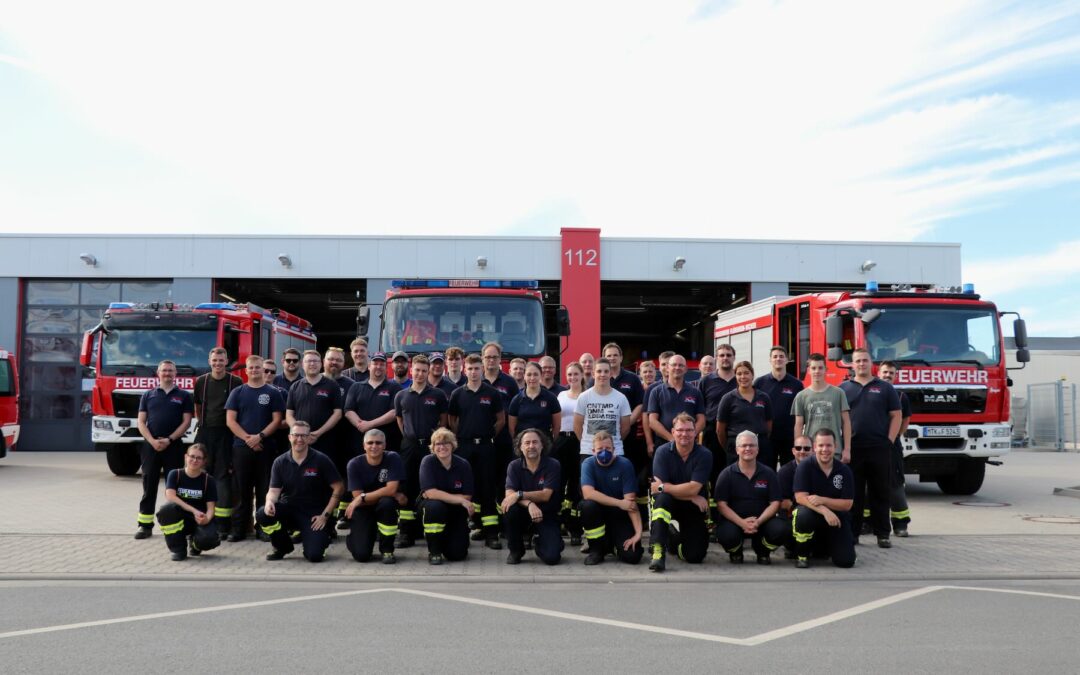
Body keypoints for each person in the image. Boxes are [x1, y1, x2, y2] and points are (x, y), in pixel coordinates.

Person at [256, 421, 345, 562]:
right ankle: (282, 546)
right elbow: (273, 490)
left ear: (309, 438)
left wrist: (325, 515)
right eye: (296, 435)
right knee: (262, 514)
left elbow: (339, 486)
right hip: (289, 509)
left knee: (314, 556)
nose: (299, 439)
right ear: (289, 437)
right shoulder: (280, 462)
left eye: (304, 436)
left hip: (314, 515)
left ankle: (321, 539)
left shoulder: (321, 460)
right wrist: (269, 502)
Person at [840, 349, 902, 548]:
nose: (861, 364)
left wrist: (889, 441)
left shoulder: (885, 388)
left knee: (881, 493)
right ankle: (853, 534)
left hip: (879, 449)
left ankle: (883, 534)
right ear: (852, 364)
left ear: (871, 363)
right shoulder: (843, 389)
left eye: (865, 360)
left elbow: (896, 415)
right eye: (857, 361)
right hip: (853, 448)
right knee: (854, 494)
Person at [225, 355, 286, 542]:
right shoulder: (237, 392)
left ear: (263, 369)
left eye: (258, 367)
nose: (255, 370)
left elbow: (277, 420)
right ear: (246, 370)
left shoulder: (273, 393)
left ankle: (263, 528)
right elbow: (230, 421)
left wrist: (259, 437)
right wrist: (248, 439)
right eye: (251, 368)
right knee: (241, 491)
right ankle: (238, 529)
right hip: (241, 448)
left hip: (265, 448)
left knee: (263, 490)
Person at [447, 353, 504, 549]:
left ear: (482, 369)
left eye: (476, 368)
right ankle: (463, 530)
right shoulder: (457, 394)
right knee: (463, 488)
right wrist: (462, 436)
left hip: (487, 446)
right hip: (464, 446)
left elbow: (501, 419)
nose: (473, 372)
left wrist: (488, 435)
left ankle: (491, 534)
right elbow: (452, 419)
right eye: (469, 369)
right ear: (464, 369)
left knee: (487, 488)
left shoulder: (492, 393)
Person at [135, 360, 194, 539]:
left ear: (176, 374)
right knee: (149, 485)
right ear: (158, 373)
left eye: (170, 371)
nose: (167, 373)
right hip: (151, 447)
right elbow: (140, 422)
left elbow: (186, 422)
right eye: (164, 371)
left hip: (174, 446)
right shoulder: (148, 395)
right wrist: (152, 441)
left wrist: (169, 439)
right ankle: (145, 525)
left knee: (176, 487)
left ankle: (179, 525)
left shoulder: (184, 396)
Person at [394, 355, 449, 547]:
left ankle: (433, 531)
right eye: (417, 370)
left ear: (428, 373)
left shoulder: (438, 395)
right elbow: (400, 420)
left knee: (430, 485)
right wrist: (409, 436)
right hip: (409, 446)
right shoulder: (401, 395)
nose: (420, 374)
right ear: (411, 370)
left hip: (430, 447)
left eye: (424, 371)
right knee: (407, 486)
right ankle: (406, 533)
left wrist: (435, 442)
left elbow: (444, 421)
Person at [648, 413, 712, 572]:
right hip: (671, 502)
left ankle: (672, 540)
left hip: (692, 506)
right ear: (673, 431)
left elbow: (693, 488)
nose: (685, 434)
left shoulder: (704, 454)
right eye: (680, 430)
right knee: (661, 500)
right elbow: (659, 491)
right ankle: (658, 552)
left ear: (695, 432)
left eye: (689, 430)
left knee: (695, 556)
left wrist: (665, 487)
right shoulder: (662, 452)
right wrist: (691, 494)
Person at [714, 430, 785, 565]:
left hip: (762, 522)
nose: (748, 448)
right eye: (744, 445)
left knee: (781, 530)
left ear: (758, 449)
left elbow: (775, 503)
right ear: (737, 450)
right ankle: (736, 552)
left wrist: (758, 522)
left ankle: (762, 551)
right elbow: (721, 505)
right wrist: (741, 522)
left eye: (752, 445)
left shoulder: (768, 473)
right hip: (735, 522)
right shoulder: (726, 474)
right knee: (725, 535)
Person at [193, 346, 243, 538]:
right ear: (209, 361)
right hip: (205, 433)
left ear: (227, 361)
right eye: (214, 360)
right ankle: (200, 518)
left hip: (226, 434)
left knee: (222, 478)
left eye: (221, 360)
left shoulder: (235, 382)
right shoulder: (201, 382)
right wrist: (202, 424)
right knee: (200, 475)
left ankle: (223, 524)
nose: (217, 364)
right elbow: (197, 406)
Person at [792, 428, 856, 569]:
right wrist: (825, 511)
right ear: (815, 447)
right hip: (813, 515)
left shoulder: (844, 470)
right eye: (821, 445)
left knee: (846, 562)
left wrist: (822, 500)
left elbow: (847, 504)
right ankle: (802, 555)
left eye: (828, 445)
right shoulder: (805, 466)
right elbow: (800, 498)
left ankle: (823, 549)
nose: (824, 449)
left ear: (835, 446)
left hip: (836, 519)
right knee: (802, 514)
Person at [579, 430, 643, 565]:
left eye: (608, 448)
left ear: (614, 449)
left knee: (633, 557)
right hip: (598, 514)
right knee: (587, 506)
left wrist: (638, 533)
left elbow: (630, 504)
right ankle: (596, 550)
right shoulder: (588, 464)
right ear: (593, 451)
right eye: (600, 449)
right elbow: (588, 493)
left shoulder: (625, 465)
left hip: (619, 516)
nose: (604, 452)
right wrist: (619, 503)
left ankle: (612, 546)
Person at [502, 429, 562, 565]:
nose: (531, 446)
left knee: (552, 558)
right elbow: (509, 496)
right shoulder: (514, 466)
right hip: (522, 514)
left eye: (535, 442)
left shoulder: (553, 465)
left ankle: (542, 541)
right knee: (509, 508)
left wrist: (520, 494)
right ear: (520, 447)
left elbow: (546, 495)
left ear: (542, 445)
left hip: (546, 514)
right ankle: (516, 550)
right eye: (527, 443)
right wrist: (530, 504)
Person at [344, 429, 403, 564]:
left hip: (382, 506)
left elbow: (392, 488)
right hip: (363, 509)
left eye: (378, 443)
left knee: (387, 503)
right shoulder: (354, 464)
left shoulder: (393, 458)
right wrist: (363, 497)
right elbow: (358, 497)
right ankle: (355, 539)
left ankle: (387, 550)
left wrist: (364, 497)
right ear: (364, 446)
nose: (374, 446)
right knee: (362, 556)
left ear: (385, 445)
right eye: (370, 443)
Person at [419, 428, 475, 565]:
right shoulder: (428, 462)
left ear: (453, 445)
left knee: (457, 554)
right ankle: (434, 551)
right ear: (433, 447)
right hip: (433, 507)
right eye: (438, 444)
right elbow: (430, 493)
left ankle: (448, 540)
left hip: (456, 509)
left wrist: (460, 499)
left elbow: (467, 496)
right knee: (435, 507)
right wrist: (459, 499)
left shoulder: (463, 464)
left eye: (446, 443)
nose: (442, 447)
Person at [156, 443, 220, 561]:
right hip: (181, 518)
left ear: (204, 461)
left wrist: (207, 519)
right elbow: (170, 496)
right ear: (186, 457)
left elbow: (211, 508)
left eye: (199, 458)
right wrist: (194, 510)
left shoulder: (208, 480)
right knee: (167, 510)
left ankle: (195, 545)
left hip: (199, 520)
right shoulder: (175, 474)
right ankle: (178, 549)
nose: (194, 460)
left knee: (209, 539)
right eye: (192, 456)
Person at [603, 342, 648, 510]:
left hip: (629, 436)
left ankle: (639, 514)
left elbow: (640, 404)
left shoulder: (632, 379)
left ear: (621, 358)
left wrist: (627, 422)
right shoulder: (599, 377)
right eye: (608, 355)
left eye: (615, 355)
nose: (612, 358)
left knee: (631, 473)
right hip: (606, 437)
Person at [792, 353, 852, 464]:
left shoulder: (838, 393)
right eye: (813, 368)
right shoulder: (801, 396)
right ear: (809, 370)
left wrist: (847, 449)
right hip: (810, 451)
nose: (817, 371)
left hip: (834, 450)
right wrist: (799, 449)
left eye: (820, 368)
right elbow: (798, 425)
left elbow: (846, 422)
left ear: (826, 369)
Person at [343, 351, 402, 457]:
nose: (378, 367)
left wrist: (370, 424)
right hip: (360, 443)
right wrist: (360, 424)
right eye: (375, 363)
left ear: (386, 367)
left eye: (382, 364)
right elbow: (348, 410)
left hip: (387, 444)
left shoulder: (395, 387)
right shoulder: (356, 387)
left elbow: (394, 412)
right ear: (369, 366)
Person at [877, 361, 912, 537]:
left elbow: (905, 422)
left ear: (895, 375)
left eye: (891, 373)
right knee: (869, 485)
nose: (887, 375)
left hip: (891, 447)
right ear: (878, 373)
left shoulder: (900, 397)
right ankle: (868, 523)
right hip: (871, 445)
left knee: (895, 484)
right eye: (885, 372)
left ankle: (900, 523)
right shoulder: (871, 392)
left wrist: (892, 437)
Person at [753, 346, 804, 469]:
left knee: (789, 472)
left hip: (789, 438)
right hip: (767, 438)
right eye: (775, 356)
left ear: (787, 360)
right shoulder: (760, 383)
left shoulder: (796, 384)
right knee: (767, 471)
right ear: (770, 360)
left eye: (781, 356)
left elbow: (801, 412)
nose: (778, 359)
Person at [716, 360, 773, 468]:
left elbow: (769, 424)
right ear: (735, 376)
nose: (743, 376)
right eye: (739, 374)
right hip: (736, 447)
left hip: (760, 446)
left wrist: (759, 439)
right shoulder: (728, 398)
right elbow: (720, 430)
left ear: (752, 375)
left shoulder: (764, 397)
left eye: (746, 373)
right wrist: (731, 446)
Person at [285, 350, 344, 454]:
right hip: (299, 442)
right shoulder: (295, 387)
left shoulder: (332, 385)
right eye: (309, 361)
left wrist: (318, 433)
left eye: (315, 361)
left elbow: (338, 414)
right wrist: (300, 433)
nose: (312, 364)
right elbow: (289, 414)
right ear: (303, 364)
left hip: (325, 440)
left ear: (321, 364)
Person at [322, 346, 356, 525]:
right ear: (324, 361)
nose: (334, 363)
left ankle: (343, 513)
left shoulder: (351, 385)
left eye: (338, 360)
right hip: (322, 440)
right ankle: (327, 515)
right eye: (331, 359)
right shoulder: (314, 382)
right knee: (325, 477)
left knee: (345, 475)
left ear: (344, 364)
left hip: (346, 438)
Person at [574, 358, 632, 459]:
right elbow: (577, 426)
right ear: (593, 374)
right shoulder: (583, 397)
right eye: (599, 371)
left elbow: (626, 428)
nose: (602, 374)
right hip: (588, 451)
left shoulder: (621, 398)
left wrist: (613, 442)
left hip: (615, 452)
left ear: (610, 374)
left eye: (606, 371)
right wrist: (588, 443)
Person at [698, 344, 737, 490]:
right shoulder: (706, 381)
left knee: (735, 470)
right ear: (717, 359)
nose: (725, 358)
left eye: (728, 355)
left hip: (735, 433)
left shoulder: (741, 379)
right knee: (714, 471)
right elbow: (700, 409)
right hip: (712, 433)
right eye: (721, 355)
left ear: (734, 358)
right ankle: (715, 507)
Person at [646, 354, 706, 450]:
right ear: (668, 368)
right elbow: (652, 421)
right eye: (674, 365)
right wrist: (673, 439)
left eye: (681, 365)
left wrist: (689, 437)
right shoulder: (656, 391)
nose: (677, 368)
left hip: (689, 446)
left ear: (686, 368)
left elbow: (702, 421)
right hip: (663, 445)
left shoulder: (695, 391)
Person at [556, 361, 586, 544]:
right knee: (559, 482)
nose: (573, 378)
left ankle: (575, 528)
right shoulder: (561, 395)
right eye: (570, 375)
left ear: (582, 375)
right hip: (561, 441)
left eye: (576, 374)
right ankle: (559, 523)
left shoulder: (587, 395)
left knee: (576, 484)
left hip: (580, 442)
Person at [777, 434, 814, 559]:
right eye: (798, 448)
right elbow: (782, 503)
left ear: (813, 450)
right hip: (792, 516)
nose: (802, 451)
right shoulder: (784, 472)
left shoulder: (819, 470)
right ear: (793, 451)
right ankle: (792, 546)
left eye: (807, 448)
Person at [508, 362, 562, 438]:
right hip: (523, 445)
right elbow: (511, 428)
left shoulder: (551, 398)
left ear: (541, 376)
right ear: (524, 376)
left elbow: (557, 426)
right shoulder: (516, 400)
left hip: (545, 445)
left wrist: (551, 443)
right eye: (529, 374)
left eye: (535, 374)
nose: (532, 378)